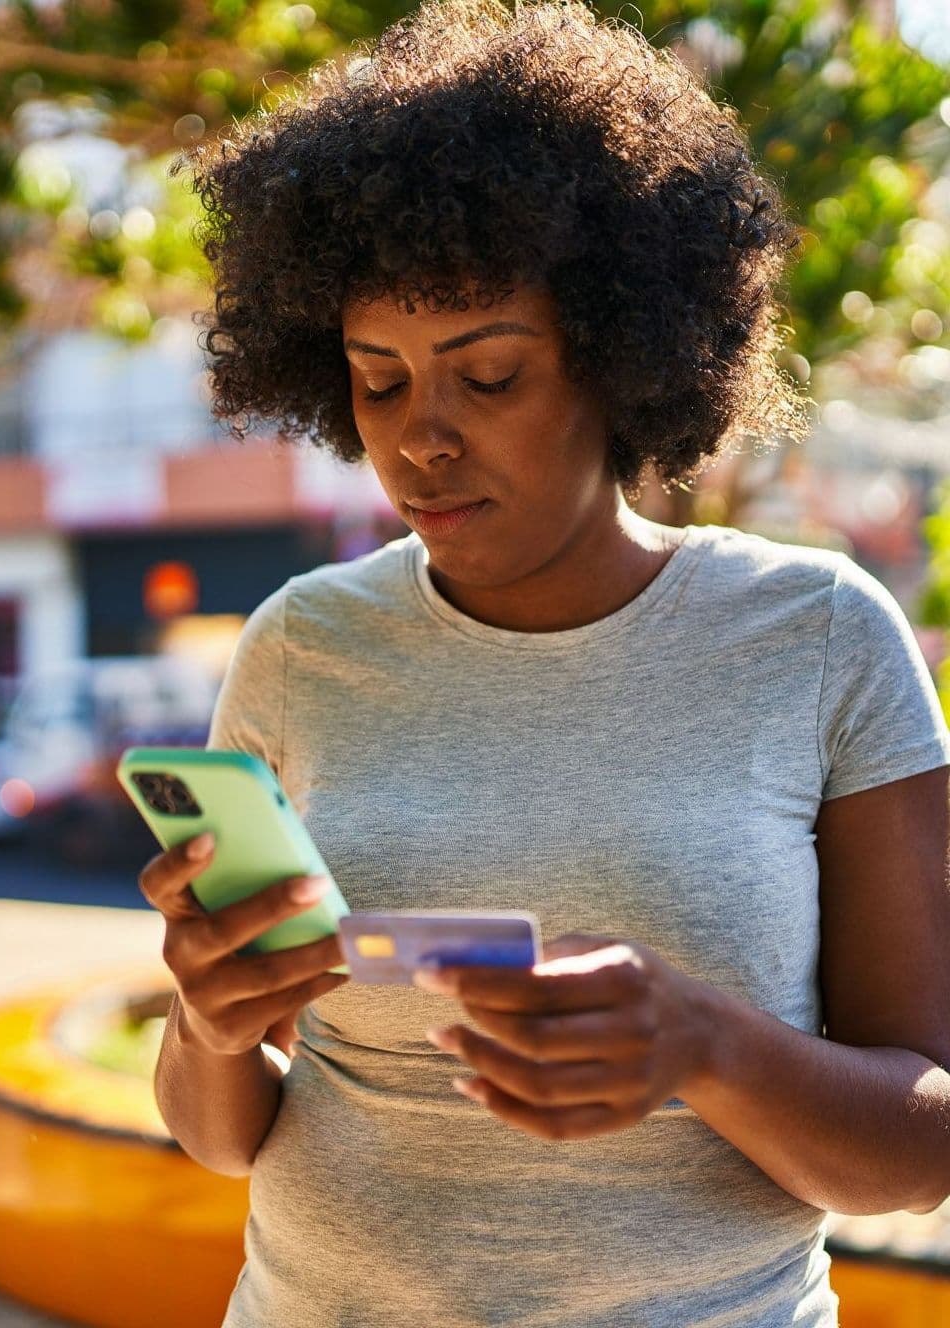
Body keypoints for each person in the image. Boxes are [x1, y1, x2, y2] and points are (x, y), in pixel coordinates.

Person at [137, 2, 950, 1324]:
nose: (420, 442)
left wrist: (705, 1045)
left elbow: (922, 1147)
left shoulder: (819, 639)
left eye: (491, 376)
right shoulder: (298, 648)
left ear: (624, 359)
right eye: (378, 381)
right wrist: (210, 1025)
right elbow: (224, 1134)